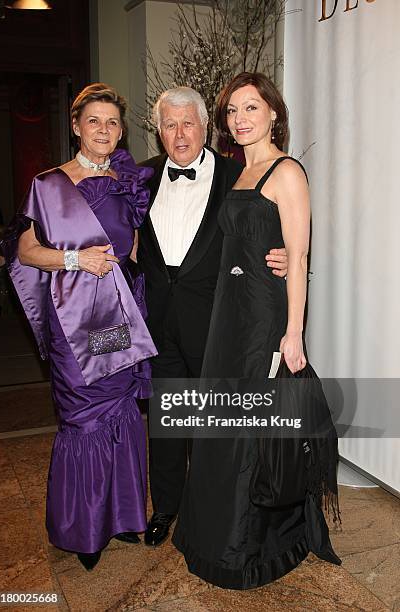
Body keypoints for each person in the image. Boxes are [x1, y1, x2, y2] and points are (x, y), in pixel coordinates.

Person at [172, 73, 341, 589]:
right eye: (232, 112)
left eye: (251, 108)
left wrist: (294, 333)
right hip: (230, 313)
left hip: (265, 316)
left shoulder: (287, 172)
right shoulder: (239, 173)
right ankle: (212, 532)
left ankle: (252, 545)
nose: (240, 119)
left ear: (273, 113)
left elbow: (299, 254)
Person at [1, 83, 157, 571]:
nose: (104, 130)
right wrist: (73, 258)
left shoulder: (127, 180)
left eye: (112, 122)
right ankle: (84, 529)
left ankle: (119, 518)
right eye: (94, 121)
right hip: (75, 322)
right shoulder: (48, 185)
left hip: (118, 317)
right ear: (75, 127)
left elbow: (132, 249)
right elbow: (25, 252)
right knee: (83, 417)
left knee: (119, 413)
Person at [137, 86, 288, 547]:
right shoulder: (138, 179)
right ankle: (165, 507)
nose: (179, 134)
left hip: (218, 322)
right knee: (165, 423)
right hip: (158, 321)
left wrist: (286, 257)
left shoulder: (236, 175)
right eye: (169, 124)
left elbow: (263, 228)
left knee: (216, 426)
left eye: (188, 123)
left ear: (206, 126)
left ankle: (212, 511)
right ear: (158, 130)